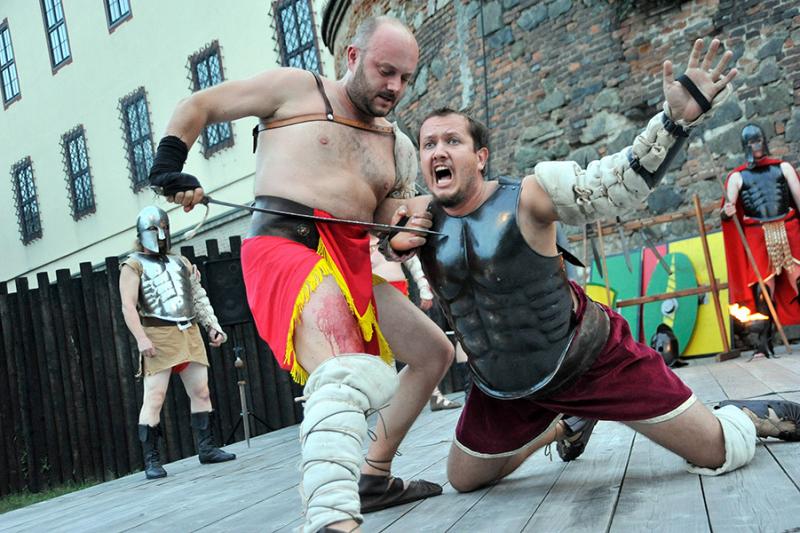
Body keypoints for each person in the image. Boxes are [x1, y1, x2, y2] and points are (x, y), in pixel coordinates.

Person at [387, 38, 800, 492]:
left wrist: (674, 121)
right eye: (429, 144)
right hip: (503, 387)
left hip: (588, 359)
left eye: (452, 141)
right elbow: (355, 212)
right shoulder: (417, 218)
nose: (438, 151)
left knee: (716, 451)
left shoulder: (529, 195)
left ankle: (746, 415)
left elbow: (612, 185)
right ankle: (567, 424)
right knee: (463, 479)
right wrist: (392, 240)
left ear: (480, 156)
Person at [147, 16, 453, 533]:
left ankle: (373, 476)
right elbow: (198, 105)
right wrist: (168, 167)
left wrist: (410, 229)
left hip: (348, 261)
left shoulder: (396, 145)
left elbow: (386, 225)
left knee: (432, 352)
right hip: (283, 248)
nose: (395, 86)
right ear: (352, 57)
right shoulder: (297, 90)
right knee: (344, 369)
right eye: (385, 71)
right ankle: (331, 519)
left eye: (405, 77)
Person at [119, 206, 236, 480]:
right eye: (153, 229)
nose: (160, 234)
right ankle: (151, 460)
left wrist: (212, 326)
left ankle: (207, 448)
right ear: (142, 233)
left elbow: (197, 296)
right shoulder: (132, 265)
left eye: (163, 228)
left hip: (189, 331)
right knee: (155, 397)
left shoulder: (180, 262)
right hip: (158, 334)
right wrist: (141, 338)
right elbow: (128, 306)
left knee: (202, 392)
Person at [721, 124, 800, 356]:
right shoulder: (737, 177)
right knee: (764, 290)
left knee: (798, 280)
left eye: (759, 141)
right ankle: (765, 343)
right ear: (745, 146)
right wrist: (726, 212)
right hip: (757, 234)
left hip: (788, 227)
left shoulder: (783, 168)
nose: (756, 146)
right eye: (752, 142)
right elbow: (728, 210)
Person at [369, 235, 462, 411]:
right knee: (382, 352)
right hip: (372, 298)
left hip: (397, 293)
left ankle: (435, 395)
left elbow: (413, 262)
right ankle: (386, 403)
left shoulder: (388, 236)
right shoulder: (352, 240)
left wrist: (424, 289)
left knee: (421, 349)